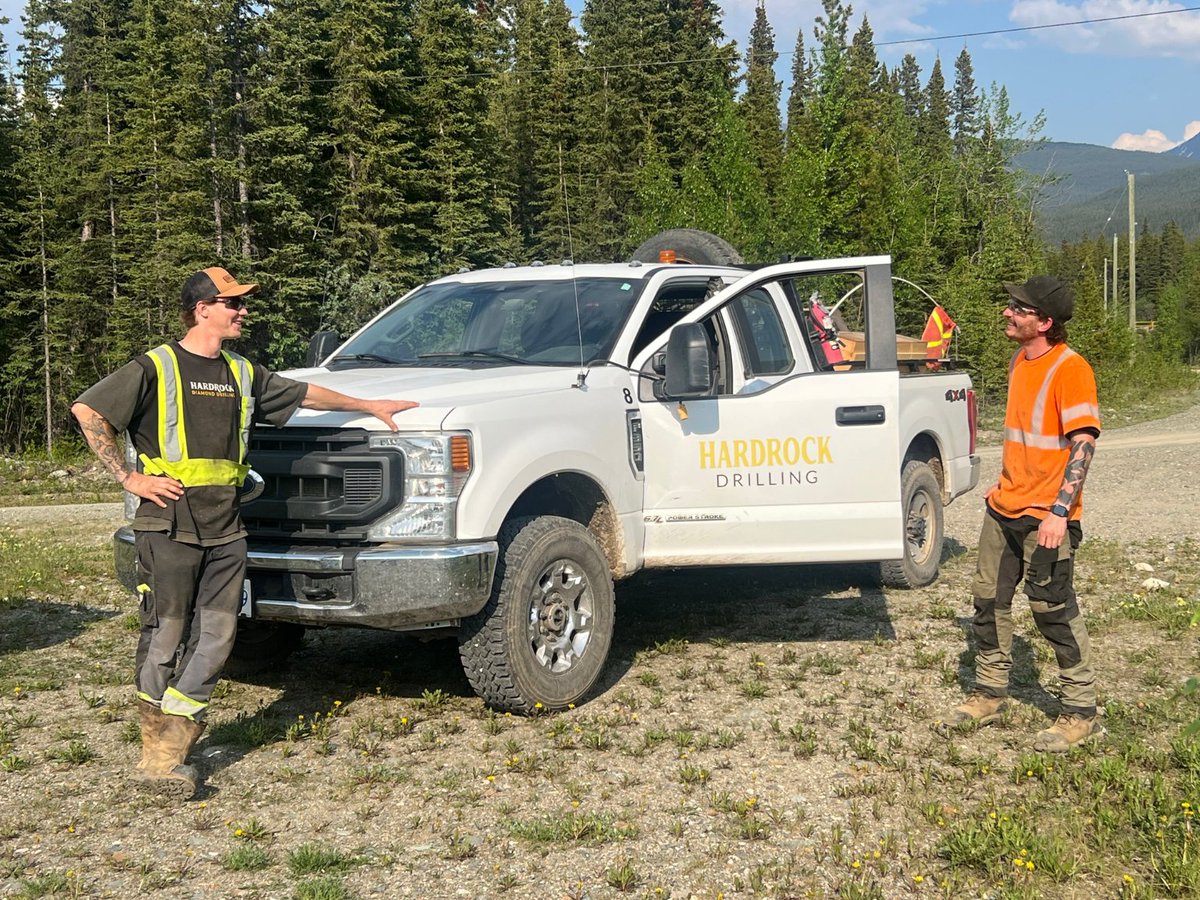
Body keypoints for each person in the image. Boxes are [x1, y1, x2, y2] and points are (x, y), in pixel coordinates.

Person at [72, 266, 418, 798]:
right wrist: (129, 476)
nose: (241, 311)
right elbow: (88, 409)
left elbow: (303, 394)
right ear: (201, 308)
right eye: (231, 303)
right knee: (166, 634)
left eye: (240, 303)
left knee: (218, 635)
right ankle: (154, 751)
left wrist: (369, 406)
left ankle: (169, 753)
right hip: (167, 524)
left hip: (227, 527)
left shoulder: (240, 371)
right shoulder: (155, 367)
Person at [943, 274, 1101, 753]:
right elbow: (1025, 437)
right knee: (988, 601)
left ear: (1045, 322)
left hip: (1046, 516)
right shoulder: (1020, 360)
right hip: (1004, 506)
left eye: (1019, 308)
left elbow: (1083, 443)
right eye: (1012, 304)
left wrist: (1059, 511)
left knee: (1051, 608)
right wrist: (1005, 482)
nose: (1008, 312)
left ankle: (1079, 710)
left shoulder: (1071, 368)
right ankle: (991, 693)